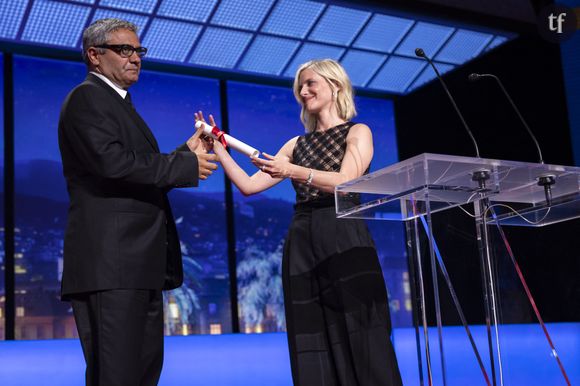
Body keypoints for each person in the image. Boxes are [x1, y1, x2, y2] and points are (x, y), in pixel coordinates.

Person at [197, 59, 402, 385]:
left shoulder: (357, 131)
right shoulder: (295, 144)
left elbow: (345, 180)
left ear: (335, 85)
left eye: (310, 83)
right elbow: (250, 187)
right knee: (312, 330)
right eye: (300, 88)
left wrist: (292, 171)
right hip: (303, 239)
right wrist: (220, 149)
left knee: (363, 329)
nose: (303, 92)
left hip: (344, 233)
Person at [58, 18, 217, 386]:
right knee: (117, 376)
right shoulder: (86, 98)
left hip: (136, 264)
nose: (135, 58)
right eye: (124, 49)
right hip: (111, 264)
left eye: (138, 50)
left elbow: (136, 168)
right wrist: (184, 164)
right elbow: (112, 164)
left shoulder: (119, 104)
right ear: (94, 56)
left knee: (141, 373)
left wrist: (184, 151)